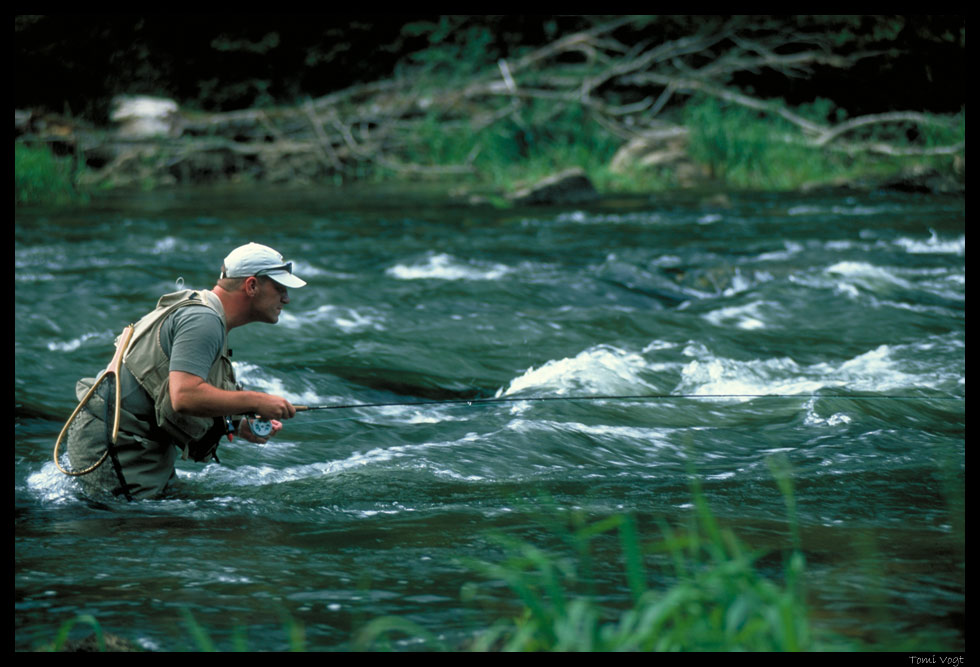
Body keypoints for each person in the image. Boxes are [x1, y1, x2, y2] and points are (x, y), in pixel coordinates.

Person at [64, 242, 306, 500]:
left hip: (138, 444)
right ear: (251, 286)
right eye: (280, 288)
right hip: (118, 444)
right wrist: (258, 401)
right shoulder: (204, 320)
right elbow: (185, 396)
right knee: (142, 529)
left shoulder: (206, 314)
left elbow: (176, 388)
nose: (286, 298)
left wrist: (238, 423)